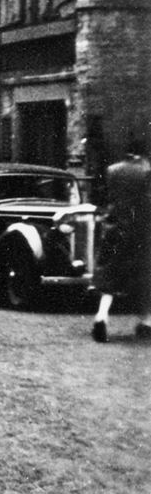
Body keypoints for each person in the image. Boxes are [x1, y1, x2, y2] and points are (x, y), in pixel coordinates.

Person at [91, 136, 151, 342]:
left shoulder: (113, 170)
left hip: (115, 229)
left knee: (109, 275)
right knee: (145, 278)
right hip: (141, 232)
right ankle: (146, 322)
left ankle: (101, 317)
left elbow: (107, 198)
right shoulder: (146, 171)